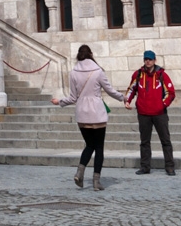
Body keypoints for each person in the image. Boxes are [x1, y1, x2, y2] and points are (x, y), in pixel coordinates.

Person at [50, 44, 126, 190]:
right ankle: (96, 181)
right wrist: (123, 98)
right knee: (99, 147)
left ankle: (80, 172)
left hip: (82, 114)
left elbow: (73, 98)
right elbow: (110, 90)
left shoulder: (73, 73)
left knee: (89, 145)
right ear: (91, 54)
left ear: (78, 55)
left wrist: (59, 102)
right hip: (97, 114)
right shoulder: (98, 71)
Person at [123, 49, 176, 176]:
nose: (148, 61)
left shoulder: (162, 75)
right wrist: (127, 100)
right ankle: (145, 167)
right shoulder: (138, 74)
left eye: (150, 59)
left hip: (159, 113)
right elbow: (131, 88)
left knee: (165, 140)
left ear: (154, 60)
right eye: (146, 59)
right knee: (144, 142)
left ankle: (169, 166)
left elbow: (171, 93)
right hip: (143, 113)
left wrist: (162, 105)